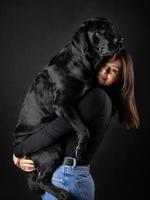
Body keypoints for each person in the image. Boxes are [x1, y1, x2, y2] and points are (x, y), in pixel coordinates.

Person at [13, 49, 140, 200]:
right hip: (68, 177)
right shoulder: (95, 95)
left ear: (120, 79)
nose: (105, 71)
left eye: (113, 71)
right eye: (104, 64)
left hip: (66, 179)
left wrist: (18, 151)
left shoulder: (97, 98)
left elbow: (54, 130)